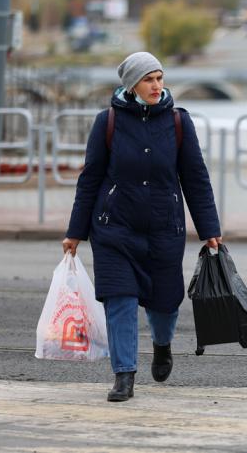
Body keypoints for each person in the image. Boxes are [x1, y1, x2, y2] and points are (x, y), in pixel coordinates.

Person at [62, 52, 222, 402]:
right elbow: (90, 179)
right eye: (148, 79)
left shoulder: (178, 122)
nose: (156, 85)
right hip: (114, 229)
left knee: (165, 304)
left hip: (164, 229)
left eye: (159, 78)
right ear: (132, 85)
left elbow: (195, 178)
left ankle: (162, 345)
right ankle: (124, 375)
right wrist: (75, 232)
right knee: (118, 299)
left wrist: (209, 227)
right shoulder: (108, 121)